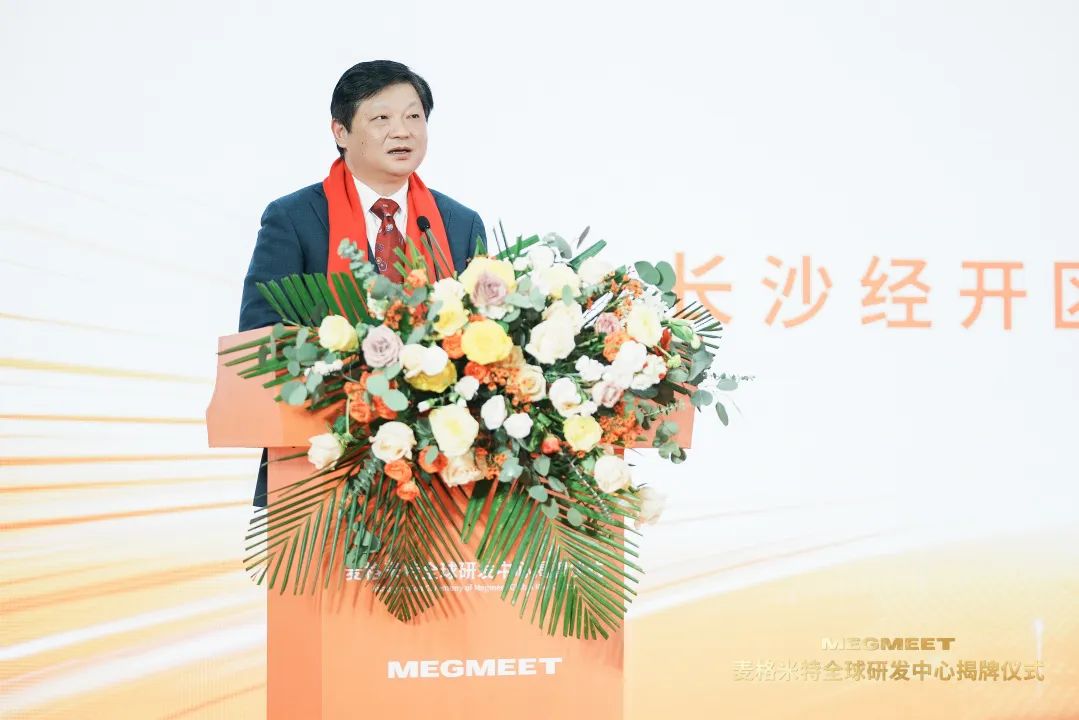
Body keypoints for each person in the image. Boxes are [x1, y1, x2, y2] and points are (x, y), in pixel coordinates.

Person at [238, 60, 487, 508]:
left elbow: (488, 335)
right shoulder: (293, 218)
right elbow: (260, 335)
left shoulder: (458, 223)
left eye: (414, 116)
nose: (402, 131)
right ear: (340, 131)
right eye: (381, 118)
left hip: (441, 472)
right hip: (318, 463)